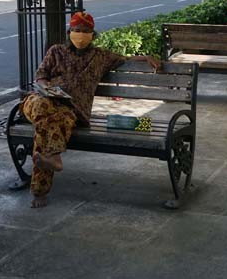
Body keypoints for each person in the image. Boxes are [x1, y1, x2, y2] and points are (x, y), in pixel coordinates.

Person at [22, 11, 160, 208]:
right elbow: (41, 74)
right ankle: (53, 158)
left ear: (92, 34)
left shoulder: (100, 56)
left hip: (72, 111)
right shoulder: (56, 51)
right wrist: (46, 88)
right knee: (44, 108)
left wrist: (146, 57)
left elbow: (124, 59)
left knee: (48, 124)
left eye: (85, 31)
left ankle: (41, 188)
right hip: (41, 101)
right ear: (70, 31)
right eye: (77, 30)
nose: (80, 34)